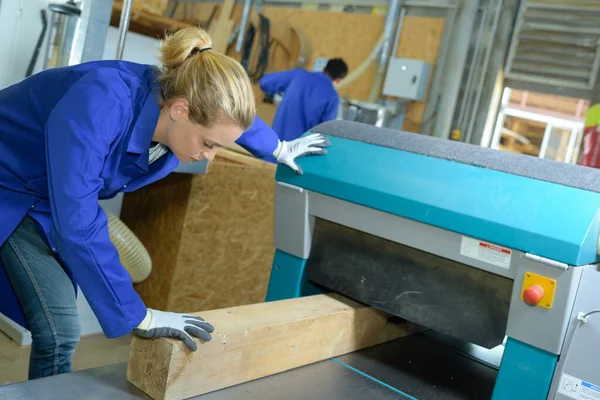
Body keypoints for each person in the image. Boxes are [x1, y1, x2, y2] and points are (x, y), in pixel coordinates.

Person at [0, 27, 329, 380]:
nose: (211, 156)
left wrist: (277, 147)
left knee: (59, 331)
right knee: (60, 328)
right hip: (7, 180)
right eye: (209, 144)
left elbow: (224, 120)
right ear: (180, 109)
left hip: (39, 197)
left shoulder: (187, 109)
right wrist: (140, 315)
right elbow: (78, 221)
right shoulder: (102, 100)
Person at [258, 58, 348, 142]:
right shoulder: (332, 97)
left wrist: (278, 96)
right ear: (339, 80)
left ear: (323, 69)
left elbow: (264, 82)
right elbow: (327, 132)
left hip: (274, 146)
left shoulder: (299, 75)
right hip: (299, 154)